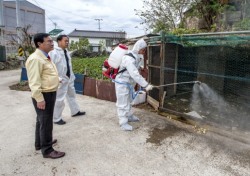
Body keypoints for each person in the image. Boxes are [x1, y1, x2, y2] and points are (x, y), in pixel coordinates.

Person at [25, 33, 65, 159]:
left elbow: (46, 74)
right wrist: (39, 99)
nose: (52, 43)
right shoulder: (35, 59)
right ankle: (47, 150)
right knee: (46, 122)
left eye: (52, 41)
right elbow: (34, 82)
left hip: (49, 92)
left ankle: (40, 143)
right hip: (44, 94)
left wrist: (56, 79)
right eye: (49, 41)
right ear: (39, 44)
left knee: (41, 120)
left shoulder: (45, 56)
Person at [115, 38, 153, 131]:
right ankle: (123, 123)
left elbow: (135, 67)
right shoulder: (128, 58)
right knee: (122, 103)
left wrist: (141, 68)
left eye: (144, 50)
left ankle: (129, 116)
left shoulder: (136, 56)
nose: (143, 52)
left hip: (129, 83)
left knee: (129, 100)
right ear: (138, 47)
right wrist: (146, 85)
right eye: (143, 49)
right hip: (122, 83)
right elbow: (134, 74)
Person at [49, 35, 85, 125]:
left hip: (68, 78)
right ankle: (56, 118)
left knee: (72, 95)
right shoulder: (53, 52)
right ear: (59, 41)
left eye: (68, 41)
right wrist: (57, 78)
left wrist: (71, 76)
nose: (67, 42)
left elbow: (68, 66)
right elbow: (50, 67)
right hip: (60, 79)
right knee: (59, 99)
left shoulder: (66, 51)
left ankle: (75, 111)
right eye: (65, 41)